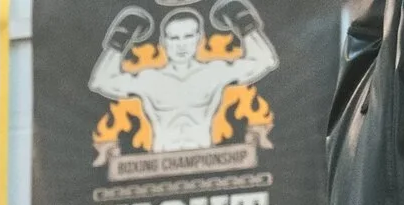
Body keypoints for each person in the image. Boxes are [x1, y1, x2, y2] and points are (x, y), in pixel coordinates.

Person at [89, 3, 278, 153]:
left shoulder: (213, 72)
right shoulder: (151, 79)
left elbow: (264, 61)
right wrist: (119, 39)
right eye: (174, 38)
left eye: (188, 36)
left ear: (199, 38)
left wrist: (246, 25)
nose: (181, 45)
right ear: (164, 41)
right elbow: (101, 81)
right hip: (159, 166)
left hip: (206, 161)